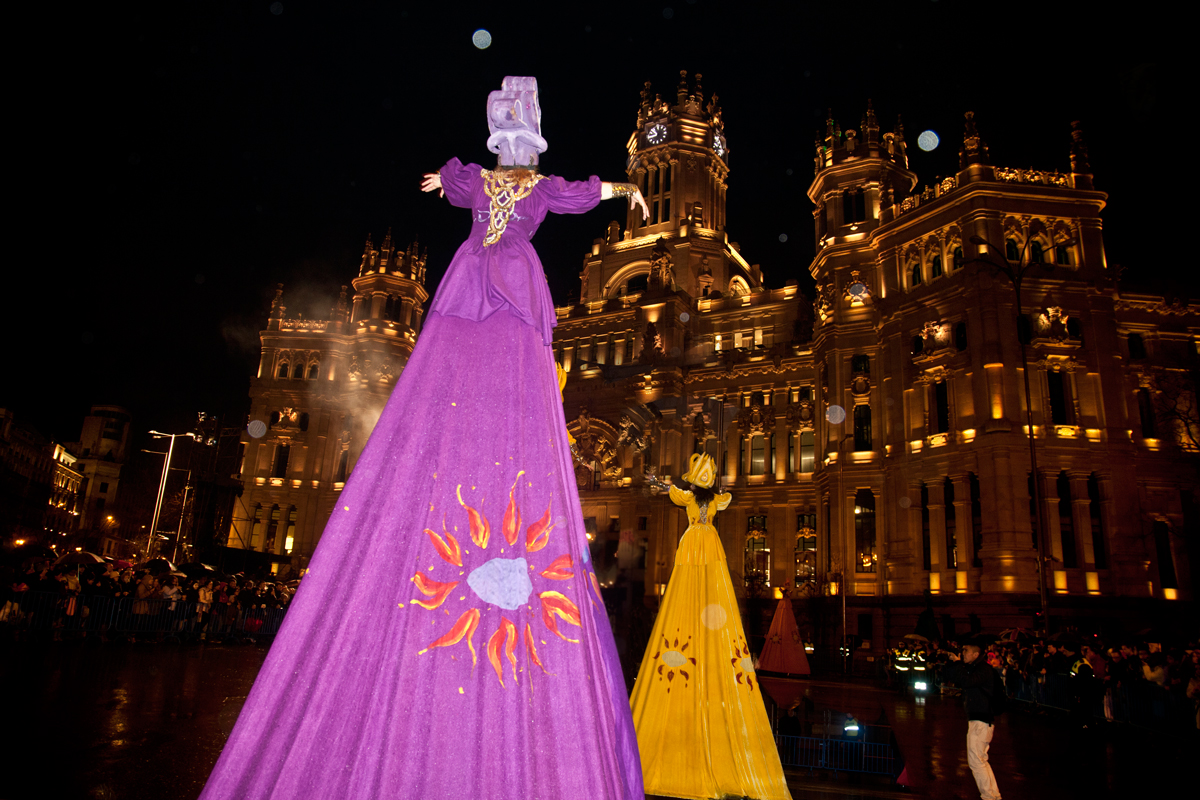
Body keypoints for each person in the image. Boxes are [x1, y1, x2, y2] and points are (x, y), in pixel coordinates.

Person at [199, 77, 648, 800]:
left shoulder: (539, 190)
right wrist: (445, 178)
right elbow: (460, 178)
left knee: (510, 349)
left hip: (514, 286)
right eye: (501, 136)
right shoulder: (483, 187)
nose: (507, 151)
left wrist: (627, 191)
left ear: (527, 141)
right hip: (470, 279)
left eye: (516, 136)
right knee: (454, 346)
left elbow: (579, 192)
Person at [631, 454, 791, 800]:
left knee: (702, 585)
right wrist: (664, 484)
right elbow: (681, 491)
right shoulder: (709, 500)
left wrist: (663, 484)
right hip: (704, 545)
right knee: (699, 585)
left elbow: (676, 490)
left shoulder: (697, 499)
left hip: (696, 544)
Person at [945, 643, 1002, 800]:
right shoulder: (976, 668)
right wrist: (952, 662)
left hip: (981, 720)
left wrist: (957, 664)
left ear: (976, 654)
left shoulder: (983, 669)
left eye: (966, 651)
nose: (963, 653)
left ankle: (989, 796)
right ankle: (992, 795)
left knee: (977, 761)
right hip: (979, 719)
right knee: (980, 760)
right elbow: (955, 677)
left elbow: (967, 681)